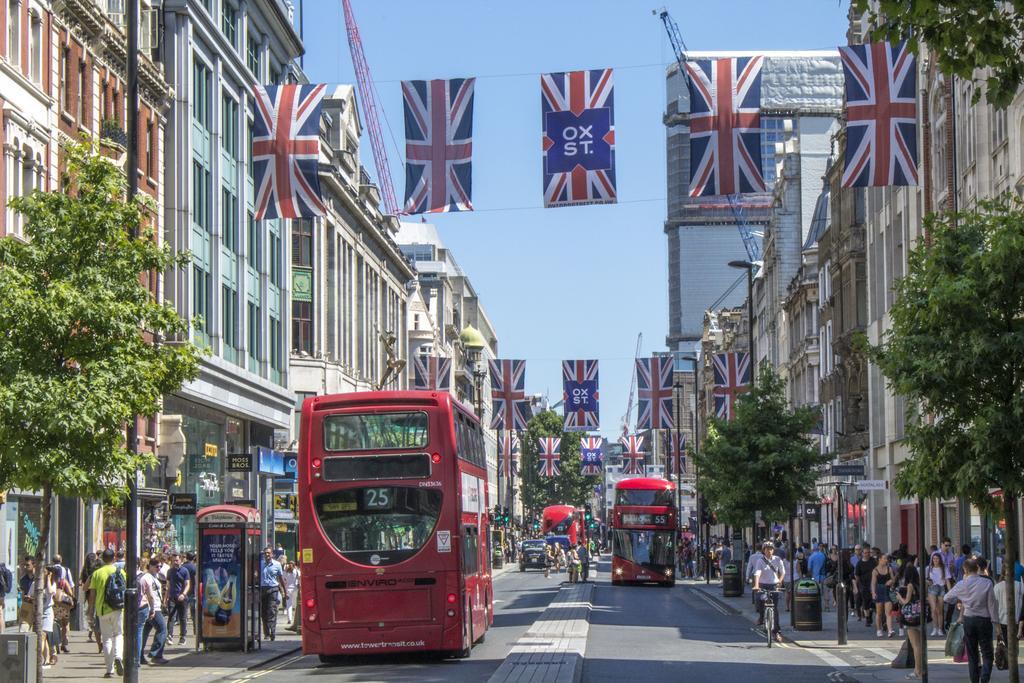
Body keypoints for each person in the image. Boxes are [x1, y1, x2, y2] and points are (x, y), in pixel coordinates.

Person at [944, 557, 998, 683]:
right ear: (977, 568)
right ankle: (985, 679)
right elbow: (992, 605)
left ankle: (974, 680)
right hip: (984, 620)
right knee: (987, 653)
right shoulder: (987, 583)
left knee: (972, 654)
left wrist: (960, 600)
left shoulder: (962, 584)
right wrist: (997, 625)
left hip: (969, 620)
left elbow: (947, 598)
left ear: (965, 570)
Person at [89, 549, 125, 678]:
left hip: (102, 610)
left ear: (103, 558)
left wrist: (90, 611)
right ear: (114, 558)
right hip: (118, 608)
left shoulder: (97, 573)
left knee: (107, 638)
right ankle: (118, 656)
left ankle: (109, 670)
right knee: (119, 635)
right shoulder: (120, 572)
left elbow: (92, 594)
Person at [752, 542, 785, 643]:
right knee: (760, 600)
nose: (769, 551)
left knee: (774, 609)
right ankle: (762, 617)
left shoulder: (777, 559)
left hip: (773, 585)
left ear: (773, 550)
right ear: (763, 550)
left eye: (771, 549)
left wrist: (780, 581)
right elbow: (757, 573)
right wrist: (756, 585)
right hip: (762, 584)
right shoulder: (760, 561)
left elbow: (782, 572)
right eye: (767, 549)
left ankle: (777, 632)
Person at [897, 556, 924, 680]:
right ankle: (919, 669)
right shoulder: (921, 584)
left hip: (910, 617)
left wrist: (898, 597)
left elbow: (906, 601)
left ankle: (917, 670)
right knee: (919, 644)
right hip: (920, 615)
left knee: (915, 645)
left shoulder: (910, 586)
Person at [140, 558, 168, 665]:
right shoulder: (146, 577)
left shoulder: (155, 577)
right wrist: (151, 608)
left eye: (160, 566)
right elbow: (147, 595)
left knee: (144, 633)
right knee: (162, 629)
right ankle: (156, 654)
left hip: (155, 607)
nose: (159, 568)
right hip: (152, 608)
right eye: (157, 566)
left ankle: (140, 656)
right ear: (150, 566)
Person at [992, 565, 1023, 651]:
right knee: (1014, 647)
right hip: (1016, 620)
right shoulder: (1020, 586)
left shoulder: (997, 587)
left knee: (1005, 647)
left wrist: (997, 629)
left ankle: (1007, 663)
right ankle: (1012, 662)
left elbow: (994, 608)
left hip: (1002, 621)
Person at [260, 546, 287, 641]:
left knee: (272, 611)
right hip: (262, 589)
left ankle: (272, 632)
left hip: (273, 589)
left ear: (272, 554)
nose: (267, 554)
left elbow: (281, 579)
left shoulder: (277, 564)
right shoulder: (260, 564)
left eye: (268, 553)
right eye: (265, 553)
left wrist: (285, 591)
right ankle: (266, 633)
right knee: (263, 612)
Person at [164, 553, 191, 645]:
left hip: (182, 598)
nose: (175, 562)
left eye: (176, 560)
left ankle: (183, 637)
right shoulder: (170, 571)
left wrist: (183, 594)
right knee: (171, 617)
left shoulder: (185, 571)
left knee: (183, 618)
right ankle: (170, 636)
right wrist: (165, 598)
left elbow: (188, 584)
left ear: (181, 560)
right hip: (172, 597)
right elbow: (168, 585)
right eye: (173, 560)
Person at [926, 552, 951, 637]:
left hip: (941, 588)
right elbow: (925, 579)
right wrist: (928, 582)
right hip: (932, 588)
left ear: (940, 559)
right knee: (933, 610)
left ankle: (940, 628)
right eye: (934, 559)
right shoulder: (929, 568)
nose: (935, 560)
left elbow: (947, 581)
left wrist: (950, 592)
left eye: (937, 559)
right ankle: (934, 628)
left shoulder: (944, 568)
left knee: (940, 610)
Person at [871, 553, 897, 637]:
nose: (886, 560)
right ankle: (879, 629)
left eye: (887, 559)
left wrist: (891, 581)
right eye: (884, 558)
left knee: (888, 612)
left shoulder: (889, 569)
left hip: (887, 590)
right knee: (879, 612)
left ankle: (890, 630)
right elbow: (873, 583)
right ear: (879, 559)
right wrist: (873, 592)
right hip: (879, 590)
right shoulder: (875, 570)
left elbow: (893, 579)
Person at [853, 545, 877, 627]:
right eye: (865, 553)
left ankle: (870, 614)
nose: (867, 554)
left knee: (872, 602)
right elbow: (857, 575)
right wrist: (857, 586)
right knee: (866, 602)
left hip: (873, 585)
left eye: (868, 553)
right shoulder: (859, 563)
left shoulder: (873, 561)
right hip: (864, 585)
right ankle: (867, 618)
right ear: (862, 553)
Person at [182, 551, 198, 637]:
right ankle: (195, 630)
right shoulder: (195, 567)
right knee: (194, 612)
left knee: (184, 613)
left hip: (184, 592)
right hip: (193, 592)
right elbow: (196, 580)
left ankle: (183, 632)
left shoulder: (183, 567)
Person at [0, 559, 11, 634]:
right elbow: (7, 589)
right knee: (0, 615)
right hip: (1, 596)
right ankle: (2, 633)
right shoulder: (6, 571)